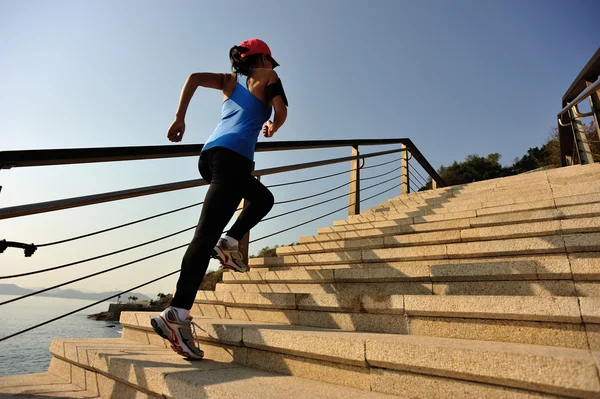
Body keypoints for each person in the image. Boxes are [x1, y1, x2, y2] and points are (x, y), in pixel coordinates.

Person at [151, 38, 288, 359]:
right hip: (234, 159)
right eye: (271, 61)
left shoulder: (230, 81)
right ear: (264, 58)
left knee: (263, 199)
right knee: (204, 235)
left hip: (210, 155)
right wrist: (274, 125)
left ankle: (229, 243)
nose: (273, 67)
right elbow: (281, 110)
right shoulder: (266, 78)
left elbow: (193, 78)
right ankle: (176, 314)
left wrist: (180, 117)